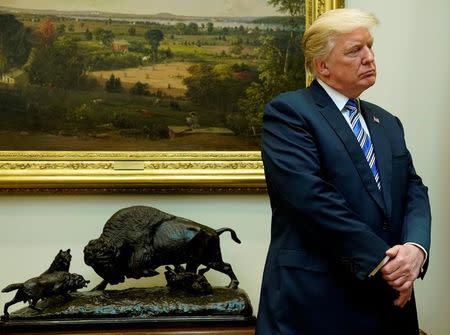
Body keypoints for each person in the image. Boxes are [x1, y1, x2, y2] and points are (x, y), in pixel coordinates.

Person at [255, 8, 431, 335]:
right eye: (355, 50)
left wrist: (415, 250)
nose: (369, 57)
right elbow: (312, 200)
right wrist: (386, 263)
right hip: (317, 302)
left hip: (390, 302)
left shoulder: (387, 122)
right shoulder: (289, 113)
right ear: (322, 66)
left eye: (370, 46)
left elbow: (414, 190)